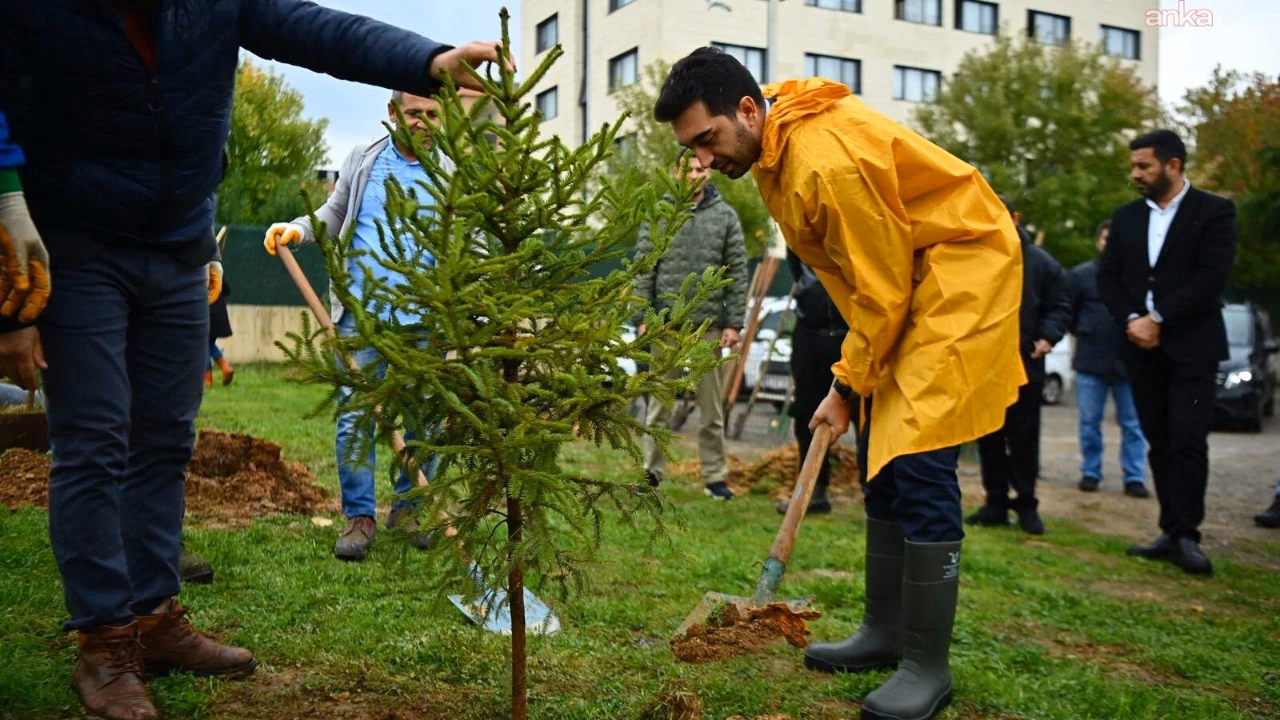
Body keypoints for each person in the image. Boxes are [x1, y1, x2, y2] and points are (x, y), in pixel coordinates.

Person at [0, 2, 509, 718]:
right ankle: (106, 643)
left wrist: (426, 60)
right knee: (94, 442)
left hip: (179, 243)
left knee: (165, 440)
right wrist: (6, 205)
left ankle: (153, 615)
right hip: (77, 241)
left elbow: (311, 29)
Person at [655, 49, 1024, 720]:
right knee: (881, 456)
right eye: (691, 148)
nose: (703, 159)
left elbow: (882, 290)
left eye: (707, 139)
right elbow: (866, 280)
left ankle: (927, 665)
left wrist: (845, 384)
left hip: (957, 276)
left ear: (747, 110)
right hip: (907, 281)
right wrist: (857, 381)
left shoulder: (826, 164)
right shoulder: (772, 142)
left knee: (918, 458)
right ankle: (885, 632)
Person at [264, 90, 449, 560]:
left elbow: (469, 238)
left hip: (426, 319)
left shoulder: (450, 171)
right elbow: (332, 215)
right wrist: (297, 230)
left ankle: (409, 509)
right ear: (392, 113)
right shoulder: (364, 160)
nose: (423, 122)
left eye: (432, 114)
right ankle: (360, 518)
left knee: (426, 418)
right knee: (355, 419)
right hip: (362, 317)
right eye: (414, 113)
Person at [1098, 129, 1238, 577]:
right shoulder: (1126, 218)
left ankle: (1187, 535)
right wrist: (1132, 320)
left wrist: (1158, 318)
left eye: (1144, 165)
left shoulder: (1214, 211)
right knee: (1158, 439)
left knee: (1188, 440)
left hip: (1193, 348)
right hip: (1140, 348)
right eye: (1134, 166)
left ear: (1173, 165)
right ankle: (1168, 529)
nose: (1136, 173)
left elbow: (1212, 277)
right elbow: (1108, 278)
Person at [632, 152, 748, 501]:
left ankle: (714, 477)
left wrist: (734, 323)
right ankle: (651, 473)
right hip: (665, 324)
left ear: (709, 174)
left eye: (702, 169)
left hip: (707, 326)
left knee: (712, 409)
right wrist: (641, 317)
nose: (696, 174)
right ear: (676, 172)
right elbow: (644, 266)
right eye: (690, 169)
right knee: (659, 406)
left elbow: (738, 271)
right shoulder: (659, 214)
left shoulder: (726, 217)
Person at [968, 197, 1071, 535]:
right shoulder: (977, 259)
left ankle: (1027, 504)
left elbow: (1061, 306)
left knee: (1024, 437)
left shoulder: (1042, 263)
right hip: (986, 364)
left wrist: (1047, 337)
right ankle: (995, 502)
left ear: (1015, 218)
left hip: (1026, 363)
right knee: (989, 437)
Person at [1068, 219, 1149, 498]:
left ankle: (1134, 476)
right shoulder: (1081, 276)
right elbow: (1069, 314)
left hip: (1130, 362)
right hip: (1091, 361)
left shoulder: (1138, 278)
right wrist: (1087, 332)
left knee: (1133, 423)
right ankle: (1091, 471)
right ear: (1098, 242)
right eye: (1105, 239)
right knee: (1089, 421)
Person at [775, 248, 848, 515]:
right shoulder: (802, 230)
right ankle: (813, 489)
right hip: (809, 332)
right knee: (808, 412)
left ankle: (878, 494)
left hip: (852, 332)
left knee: (871, 415)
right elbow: (797, 265)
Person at [206, 276, 234, 387]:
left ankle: (207, 379)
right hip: (218, 312)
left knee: (203, 345)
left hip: (205, 312)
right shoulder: (216, 269)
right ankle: (226, 367)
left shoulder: (197, 269)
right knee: (209, 344)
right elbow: (227, 290)